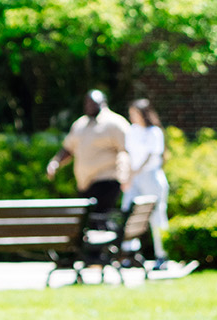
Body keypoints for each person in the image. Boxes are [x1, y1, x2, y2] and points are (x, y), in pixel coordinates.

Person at [47, 89, 133, 215]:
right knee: (87, 222)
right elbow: (69, 148)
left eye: (92, 102)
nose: (89, 106)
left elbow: (126, 150)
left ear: (103, 103)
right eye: (86, 103)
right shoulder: (80, 124)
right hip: (84, 183)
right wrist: (56, 162)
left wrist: (124, 176)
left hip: (106, 180)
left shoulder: (115, 123)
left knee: (99, 219)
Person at [125, 98, 170, 267]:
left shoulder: (154, 132)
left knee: (157, 215)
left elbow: (152, 155)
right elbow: (129, 154)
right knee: (130, 213)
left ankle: (162, 255)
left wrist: (137, 170)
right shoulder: (132, 131)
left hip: (151, 176)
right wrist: (129, 175)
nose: (133, 117)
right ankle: (130, 254)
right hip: (135, 177)